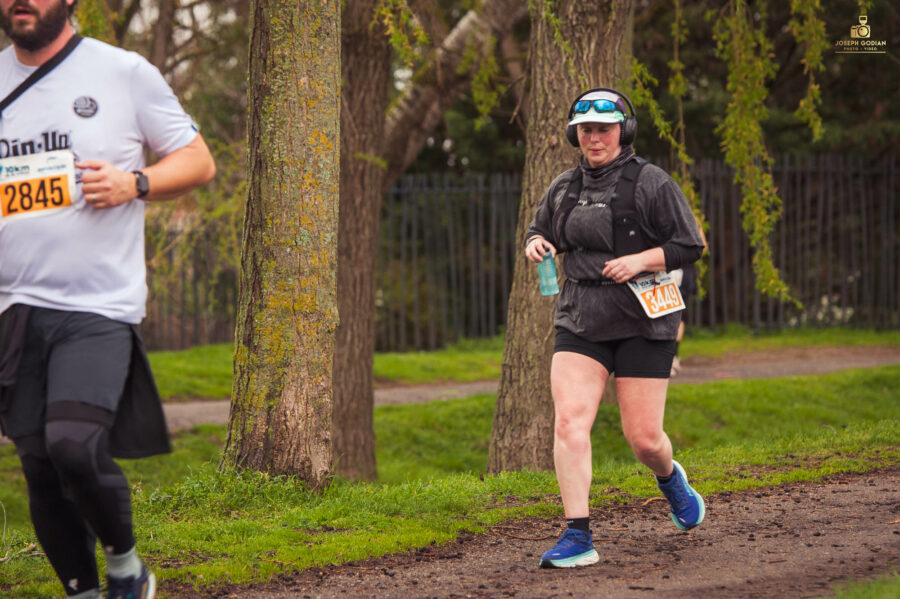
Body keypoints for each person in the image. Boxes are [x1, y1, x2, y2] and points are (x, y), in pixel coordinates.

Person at [0, 1, 215, 598]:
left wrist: (134, 183)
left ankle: (126, 569)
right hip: (12, 308)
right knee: (39, 464)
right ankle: (85, 592)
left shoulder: (123, 72)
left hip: (97, 303)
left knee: (72, 442)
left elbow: (198, 161)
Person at [524, 88, 706, 568]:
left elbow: (689, 243)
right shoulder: (563, 186)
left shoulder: (651, 183)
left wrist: (639, 261)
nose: (595, 138)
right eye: (586, 130)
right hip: (581, 317)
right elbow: (539, 229)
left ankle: (671, 480)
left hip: (644, 320)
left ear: (622, 131)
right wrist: (537, 244)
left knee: (644, 439)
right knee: (569, 421)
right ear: (575, 134)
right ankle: (577, 535)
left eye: (604, 129)